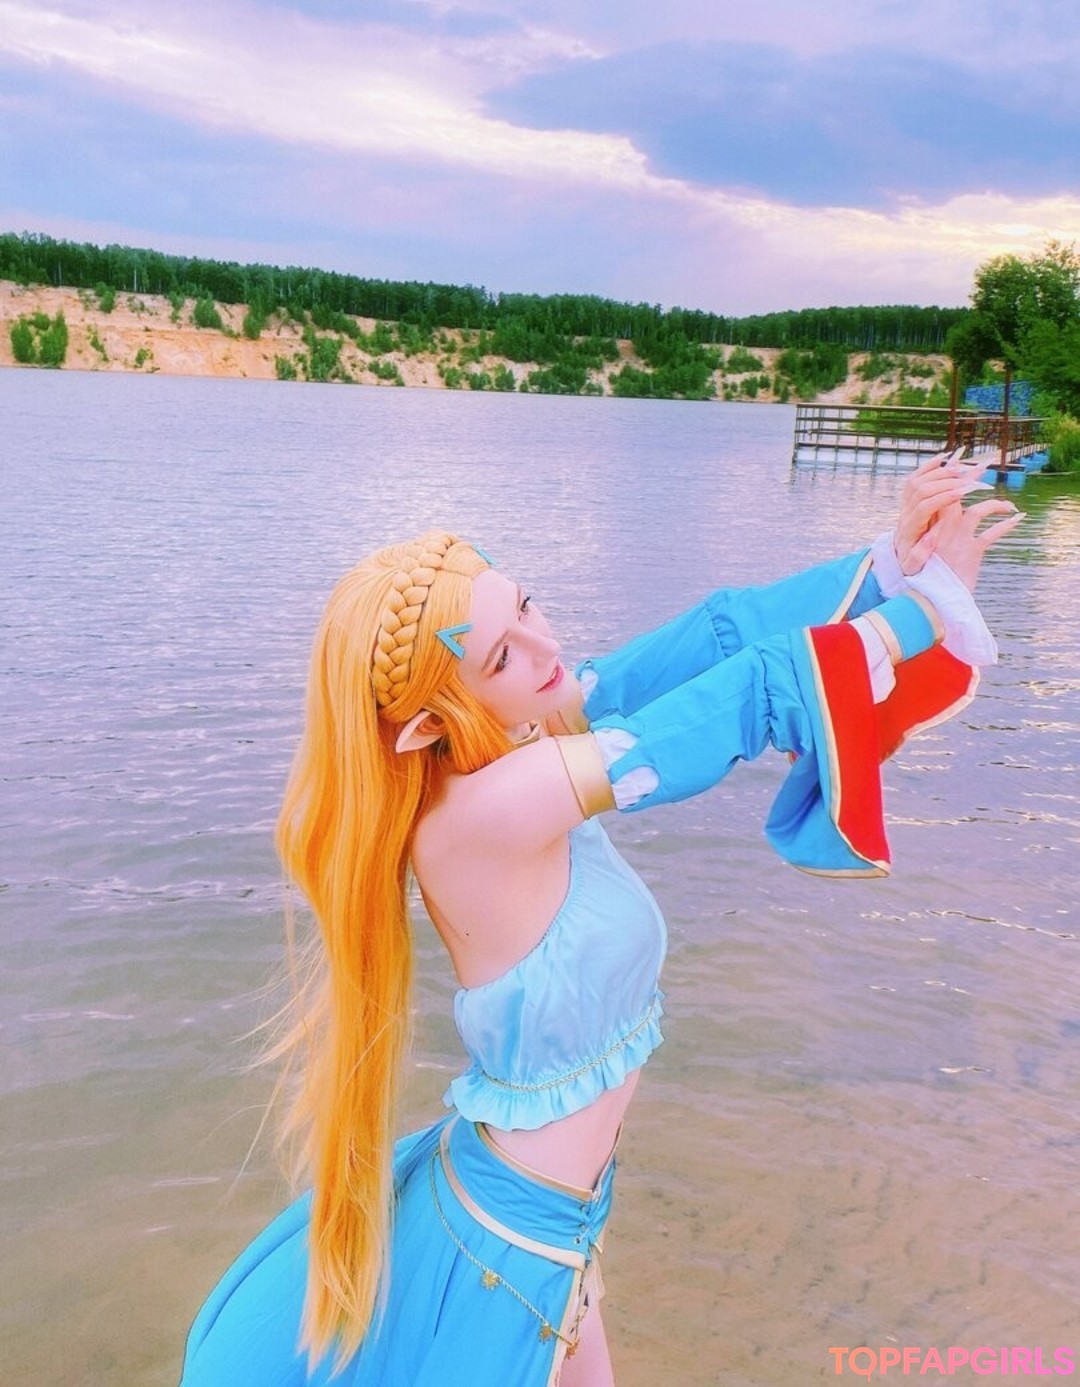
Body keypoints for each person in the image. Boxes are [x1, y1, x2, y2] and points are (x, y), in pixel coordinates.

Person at [180, 453, 1021, 1387]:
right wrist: (928, 611)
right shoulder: (487, 811)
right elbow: (728, 707)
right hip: (513, 1238)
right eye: (502, 654)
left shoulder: (519, 739)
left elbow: (712, 637)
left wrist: (890, 566)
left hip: (557, 1214)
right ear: (429, 724)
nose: (546, 648)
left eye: (527, 606)